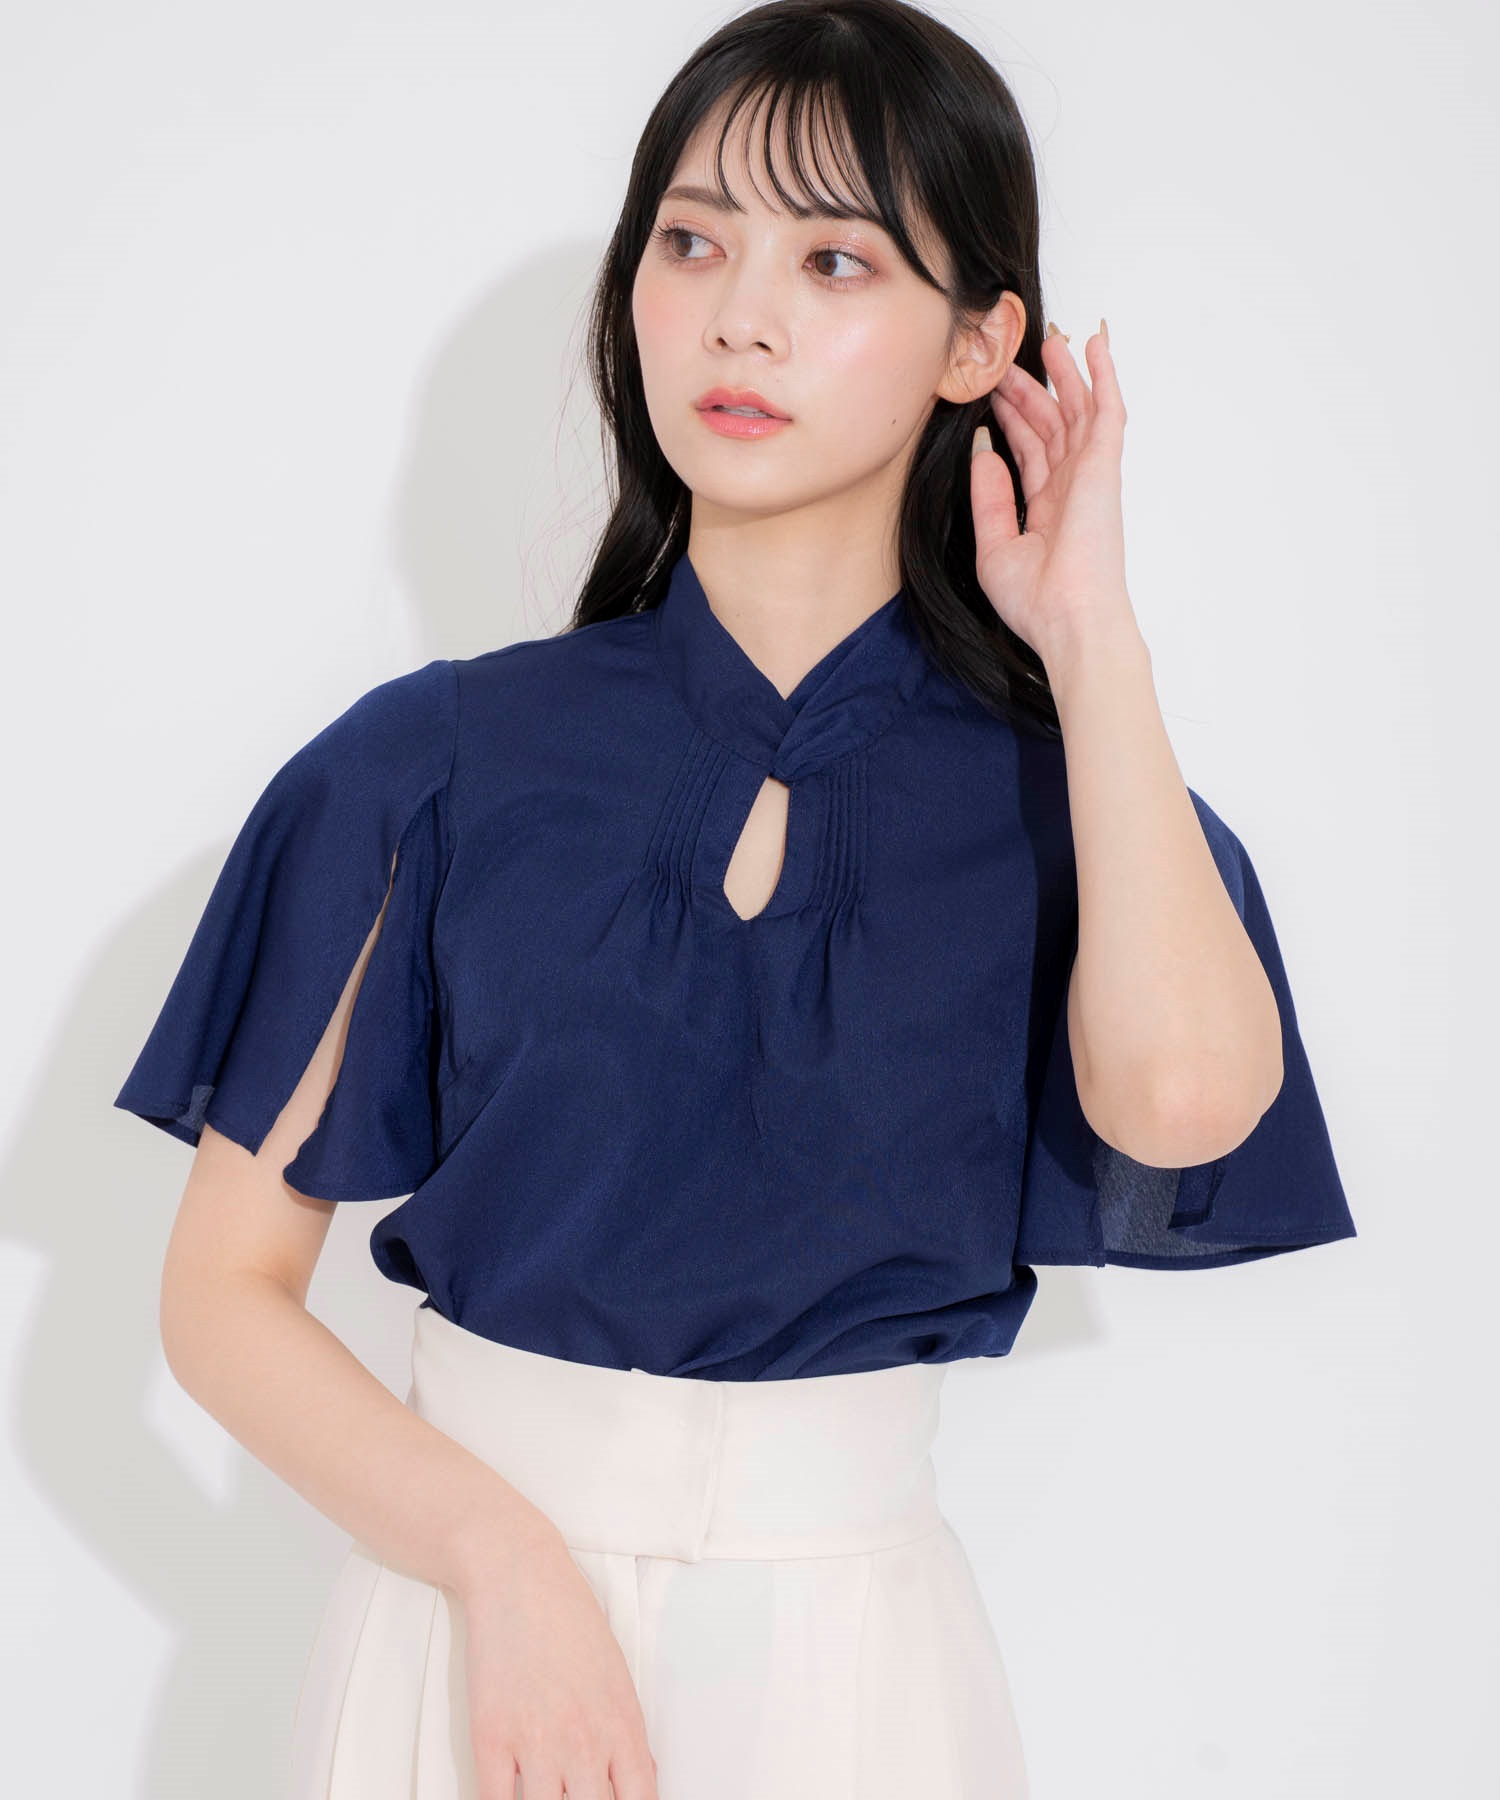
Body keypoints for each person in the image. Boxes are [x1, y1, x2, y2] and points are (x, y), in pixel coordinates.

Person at [112, 2, 1357, 1795]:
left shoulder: (1081, 795)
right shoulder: (429, 765)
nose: (739, 316)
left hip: (859, 1670)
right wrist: (501, 1562)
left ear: (979, 343)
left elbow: (1180, 1107)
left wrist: (1092, 637)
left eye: (834, 260)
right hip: (468, 1643)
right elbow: (220, 1296)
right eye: (692, 242)